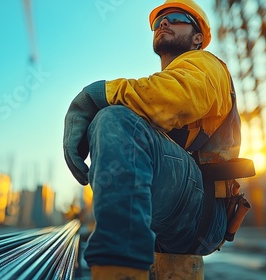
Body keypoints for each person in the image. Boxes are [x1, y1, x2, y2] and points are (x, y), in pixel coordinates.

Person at [63, 0, 241, 278]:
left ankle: (118, 270)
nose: (164, 23)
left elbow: (177, 96)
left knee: (116, 120)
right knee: (119, 120)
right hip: (175, 211)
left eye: (177, 17)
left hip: (202, 211)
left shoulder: (206, 65)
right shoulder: (158, 86)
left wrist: (95, 95)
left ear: (198, 38)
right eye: (159, 22)